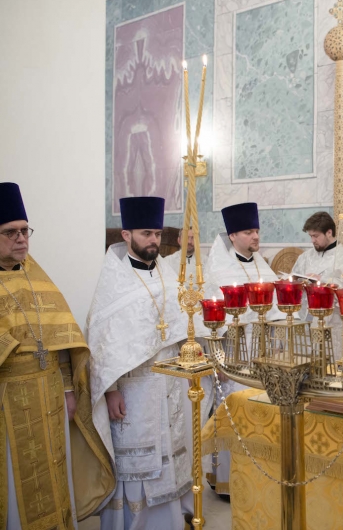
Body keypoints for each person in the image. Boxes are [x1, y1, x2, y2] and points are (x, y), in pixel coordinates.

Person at [0, 183, 114, 529]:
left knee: (52, 471)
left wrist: (67, 391)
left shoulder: (37, 278)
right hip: (9, 402)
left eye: (25, 231)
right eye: (10, 233)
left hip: (49, 400)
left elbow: (62, 344)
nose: (21, 239)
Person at [87, 197, 196, 529]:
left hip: (170, 384)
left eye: (157, 234)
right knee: (139, 461)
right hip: (134, 389)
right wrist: (110, 391)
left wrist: (190, 346)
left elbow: (181, 323)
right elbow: (102, 343)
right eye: (146, 233)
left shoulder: (167, 274)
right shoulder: (113, 281)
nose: (153, 240)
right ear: (126, 235)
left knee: (172, 452)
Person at [204, 202, 281, 497]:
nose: (256, 236)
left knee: (260, 417)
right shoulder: (218, 270)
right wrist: (219, 361)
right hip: (234, 356)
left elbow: (278, 311)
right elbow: (210, 322)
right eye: (249, 232)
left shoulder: (263, 266)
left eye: (257, 231)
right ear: (233, 235)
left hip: (263, 355)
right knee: (233, 416)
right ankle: (229, 483)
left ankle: (258, 479)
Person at [291, 211, 343, 354]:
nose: (312, 240)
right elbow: (293, 280)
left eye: (316, 236)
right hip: (305, 319)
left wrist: (323, 281)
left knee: (330, 361)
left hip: (334, 322)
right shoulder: (305, 257)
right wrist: (296, 282)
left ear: (329, 232)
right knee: (305, 360)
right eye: (310, 236)